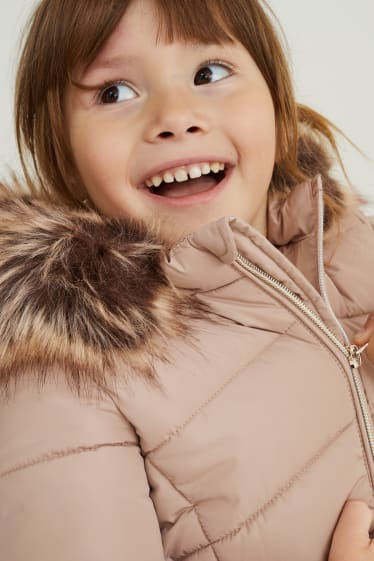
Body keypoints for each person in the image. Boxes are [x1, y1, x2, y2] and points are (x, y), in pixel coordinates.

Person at [0, 0, 373, 559]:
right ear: (67, 155)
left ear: (274, 100)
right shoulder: (62, 375)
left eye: (209, 73)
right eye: (113, 93)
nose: (176, 116)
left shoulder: (344, 247)